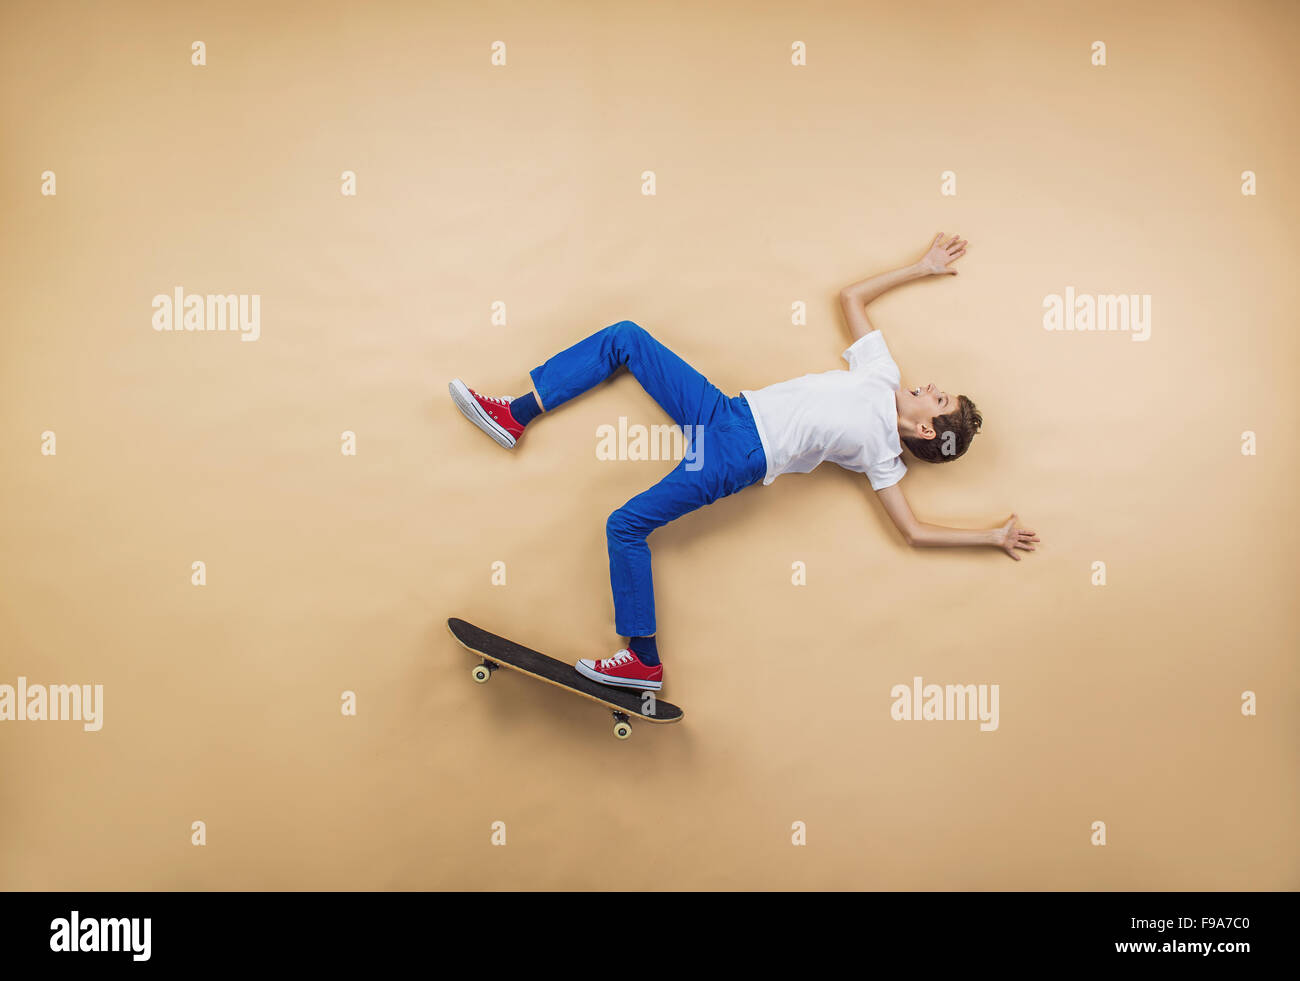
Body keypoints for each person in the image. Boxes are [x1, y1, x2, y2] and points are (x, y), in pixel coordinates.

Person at [449, 233, 1039, 691]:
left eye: (937, 398)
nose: (930, 386)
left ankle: (642, 662)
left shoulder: (883, 455)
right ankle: (516, 414)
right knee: (625, 336)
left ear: (929, 427)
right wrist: (922, 266)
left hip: (740, 454)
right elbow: (851, 298)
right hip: (724, 410)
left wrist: (992, 536)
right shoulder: (882, 375)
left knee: (624, 525)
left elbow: (912, 531)